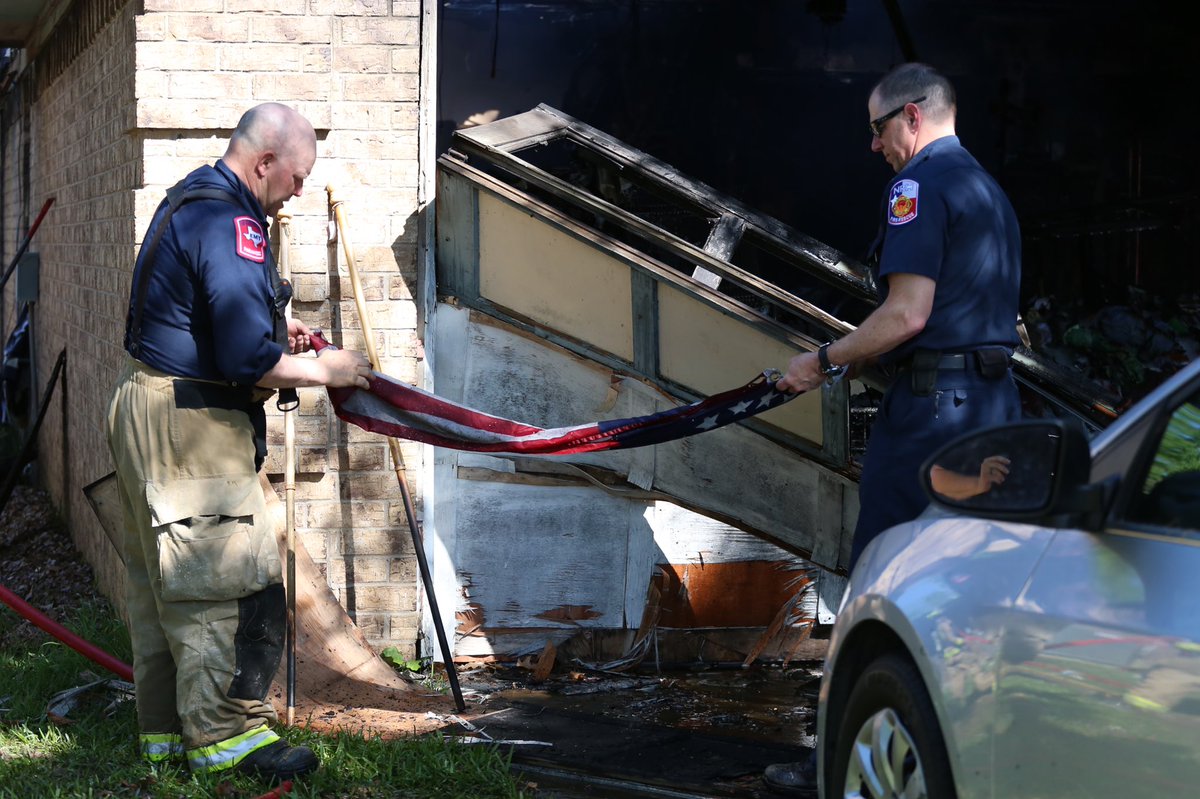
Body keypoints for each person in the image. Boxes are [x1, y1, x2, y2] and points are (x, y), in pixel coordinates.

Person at [765, 63, 1023, 794]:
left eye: (876, 129)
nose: (873, 147)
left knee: (881, 579)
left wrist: (821, 359)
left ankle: (839, 761)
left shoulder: (918, 186)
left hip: (931, 419)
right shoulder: (988, 189)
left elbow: (907, 315)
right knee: (968, 594)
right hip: (992, 411)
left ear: (911, 117)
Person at [106, 103, 371, 783]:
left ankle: (168, 737)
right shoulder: (234, 224)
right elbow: (244, 362)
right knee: (220, 584)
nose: (301, 189)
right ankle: (230, 741)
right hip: (192, 426)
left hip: (149, 407)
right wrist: (328, 368)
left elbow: (215, 321)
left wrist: (273, 331)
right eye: (297, 175)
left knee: (162, 587)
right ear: (263, 162)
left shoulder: (195, 199)